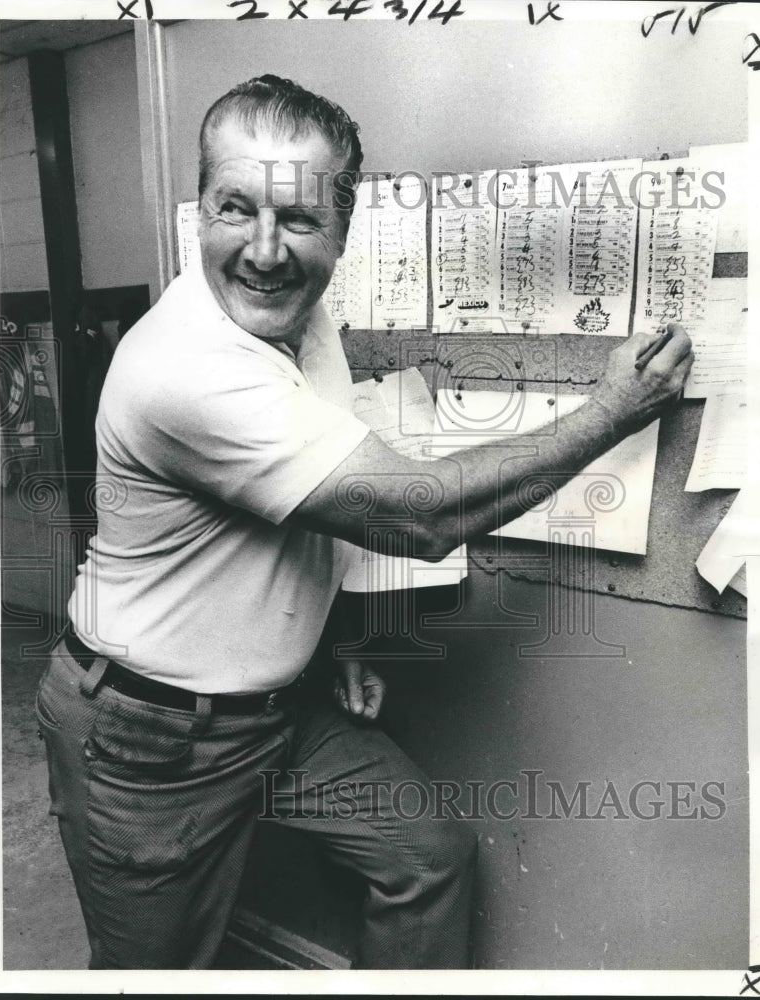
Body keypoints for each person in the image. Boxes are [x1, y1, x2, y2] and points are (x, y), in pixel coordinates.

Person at [35, 75, 693, 971]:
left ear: (344, 232)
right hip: (150, 735)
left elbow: (302, 497)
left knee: (426, 858)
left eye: (299, 221)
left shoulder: (302, 320)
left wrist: (335, 633)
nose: (264, 251)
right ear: (200, 212)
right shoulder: (189, 368)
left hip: (276, 711)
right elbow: (424, 514)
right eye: (236, 209)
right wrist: (612, 412)